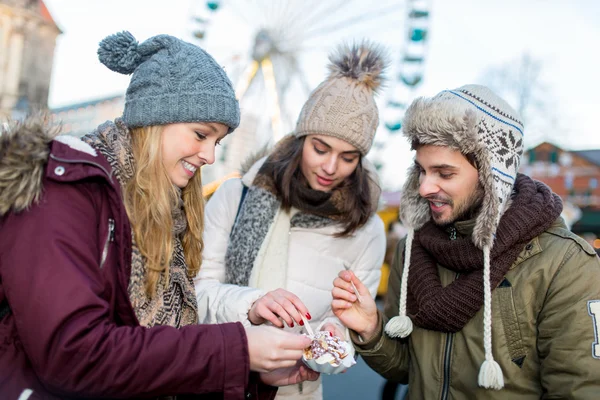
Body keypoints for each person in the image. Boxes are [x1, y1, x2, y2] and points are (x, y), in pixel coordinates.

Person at [0, 31, 318, 399]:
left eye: (217, 142)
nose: (210, 157)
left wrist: (252, 373)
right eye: (201, 134)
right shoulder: (65, 191)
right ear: (156, 117)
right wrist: (238, 349)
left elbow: (162, 358)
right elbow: (73, 354)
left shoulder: (168, 209)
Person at [332, 85, 600, 399]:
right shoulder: (412, 249)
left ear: (492, 176)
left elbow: (580, 389)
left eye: (444, 173)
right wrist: (373, 330)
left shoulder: (564, 263)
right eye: (421, 170)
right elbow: (408, 368)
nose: (424, 187)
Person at [194, 42, 387, 399]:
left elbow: (348, 325)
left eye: (348, 157)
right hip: (219, 381)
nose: (331, 167)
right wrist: (252, 306)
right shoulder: (236, 196)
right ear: (301, 139)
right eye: (320, 148)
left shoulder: (367, 230)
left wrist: (333, 337)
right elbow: (195, 294)